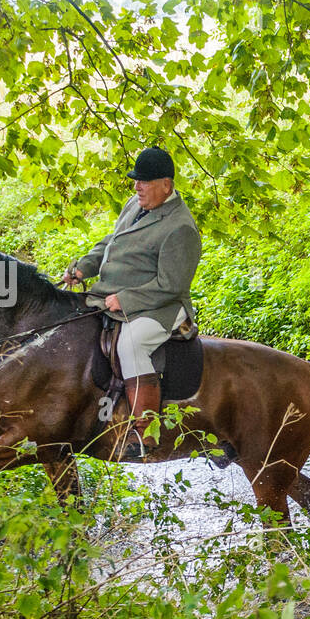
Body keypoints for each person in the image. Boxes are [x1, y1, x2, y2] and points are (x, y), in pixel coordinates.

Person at [63, 146, 201, 460]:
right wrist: (84, 266)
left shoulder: (180, 228)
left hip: (163, 308)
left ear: (166, 185)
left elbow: (172, 285)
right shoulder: (134, 204)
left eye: (145, 182)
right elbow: (111, 244)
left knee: (131, 345)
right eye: (136, 181)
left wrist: (125, 299)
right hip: (113, 297)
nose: (137, 187)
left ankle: (147, 435)